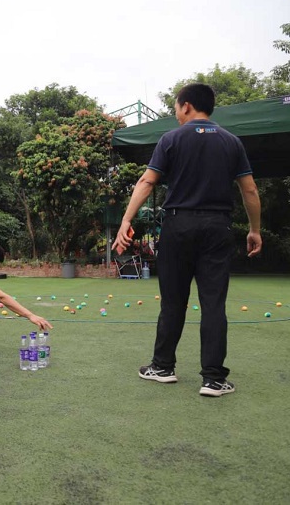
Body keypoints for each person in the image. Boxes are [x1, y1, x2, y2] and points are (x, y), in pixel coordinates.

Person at [111, 83, 262, 398]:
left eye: (176, 108)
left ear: (187, 106)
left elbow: (147, 180)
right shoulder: (232, 142)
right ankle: (213, 380)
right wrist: (254, 229)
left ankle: (163, 368)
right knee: (213, 304)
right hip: (218, 227)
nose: (176, 114)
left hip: (178, 227)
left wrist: (126, 220)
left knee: (173, 302)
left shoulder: (171, 139)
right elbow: (249, 189)